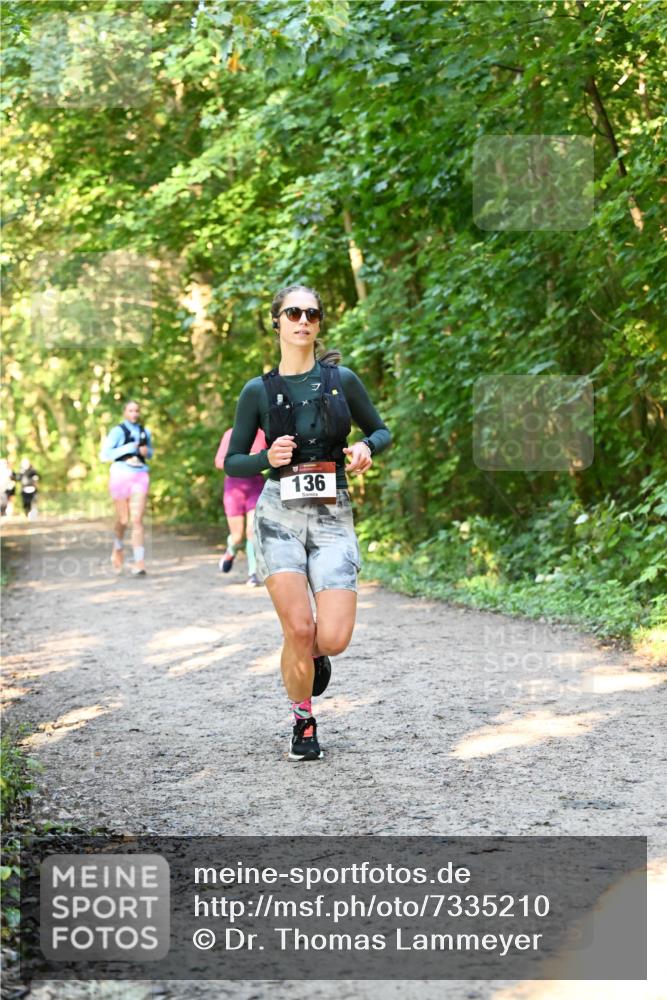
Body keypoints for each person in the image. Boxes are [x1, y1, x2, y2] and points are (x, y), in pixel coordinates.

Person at [224, 284, 391, 761]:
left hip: (333, 512)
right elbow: (233, 462)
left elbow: (381, 430)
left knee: (331, 639)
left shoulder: (342, 381)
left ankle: (311, 654)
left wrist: (366, 448)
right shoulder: (257, 391)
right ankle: (303, 721)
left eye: (312, 315)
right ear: (276, 321)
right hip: (278, 513)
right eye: (293, 313)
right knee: (298, 628)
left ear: (319, 325)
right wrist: (266, 458)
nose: (303, 321)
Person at [100, 400, 153, 576]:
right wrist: (127, 448)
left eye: (137, 410)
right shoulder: (117, 431)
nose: (134, 414)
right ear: (124, 412)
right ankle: (118, 547)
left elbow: (150, 453)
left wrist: (146, 452)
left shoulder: (145, 431)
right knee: (123, 519)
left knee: (137, 520)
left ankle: (139, 562)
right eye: (131, 410)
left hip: (140, 475)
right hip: (120, 475)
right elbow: (104, 455)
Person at [214, 426, 267, 586]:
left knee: (252, 531)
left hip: (256, 484)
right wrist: (244, 461)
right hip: (234, 486)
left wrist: (260, 460)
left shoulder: (264, 434)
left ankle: (253, 573)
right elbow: (219, 461)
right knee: (237, 537)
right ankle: (231, 551)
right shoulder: (231, 433)